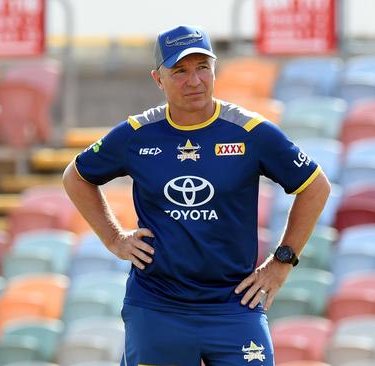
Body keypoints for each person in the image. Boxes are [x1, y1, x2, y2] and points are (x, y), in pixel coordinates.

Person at [63, 24, 331, 366]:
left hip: (235, 304)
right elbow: (77, 176)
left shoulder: (250, 132)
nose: (194, 80)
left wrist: (282, 262)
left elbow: (315, 185)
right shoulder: (137, 134)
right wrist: (114, 238)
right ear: (158, 79)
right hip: (158, 305)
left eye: (203, 67)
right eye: (180, 71)